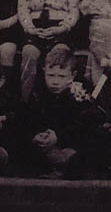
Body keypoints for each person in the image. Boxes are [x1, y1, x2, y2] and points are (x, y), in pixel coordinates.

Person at [18, 0, 78, 101]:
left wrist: (62, 28)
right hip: (34, 29)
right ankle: (26, 99)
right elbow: (22, 10)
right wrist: (30, 28)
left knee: (59, 55)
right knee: (29, 53)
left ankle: (60, 99)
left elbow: (74, 11)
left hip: (60, 30)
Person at [24, 45, 98, 178]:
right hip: (46, 144)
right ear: (44, 71)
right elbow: (30, 119)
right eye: (50, 75)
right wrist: (37, 135)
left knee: (79, 154)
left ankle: (61, 168)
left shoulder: (79, 94)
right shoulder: (38, 93)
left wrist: (58, 136)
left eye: (62, 76)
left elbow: (82, 126)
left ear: (72, 75)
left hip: (68, 143)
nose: (55, 81)